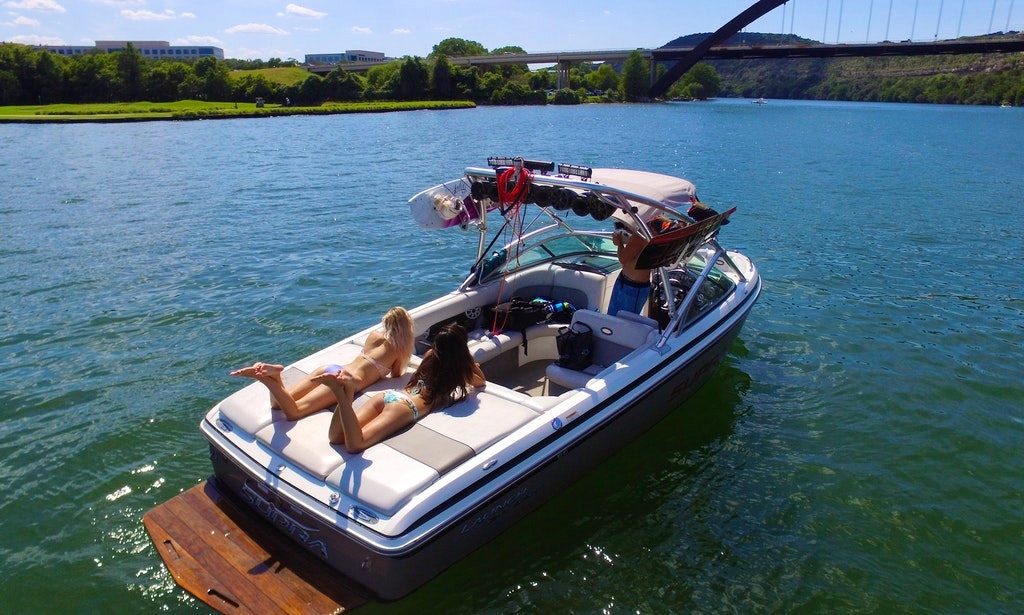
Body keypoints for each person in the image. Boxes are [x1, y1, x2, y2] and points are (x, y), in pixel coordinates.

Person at [314, 323, 486, 453]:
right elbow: (481, 382)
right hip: (406, 407)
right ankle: (342, 392)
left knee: (336, 437)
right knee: (356, 444)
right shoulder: (458, 371)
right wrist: (469, 362)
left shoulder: (429, 356)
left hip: (389, 396)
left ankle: (345, 392)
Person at [230, 306, 415, 421]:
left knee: (279, 404)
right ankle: (266, 379)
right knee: (295, 412)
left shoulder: (374, 336)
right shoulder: (398, 350)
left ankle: (276, 375)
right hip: (344, 379)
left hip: (333, 368)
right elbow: (396, 375)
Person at [607, 220, 654, 316]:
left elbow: (623, 258)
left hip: (632, 288)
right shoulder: (649, 230)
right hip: (631, 284)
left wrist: (620, 242)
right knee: (615, 319)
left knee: (621, 320)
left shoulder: (641, 235)